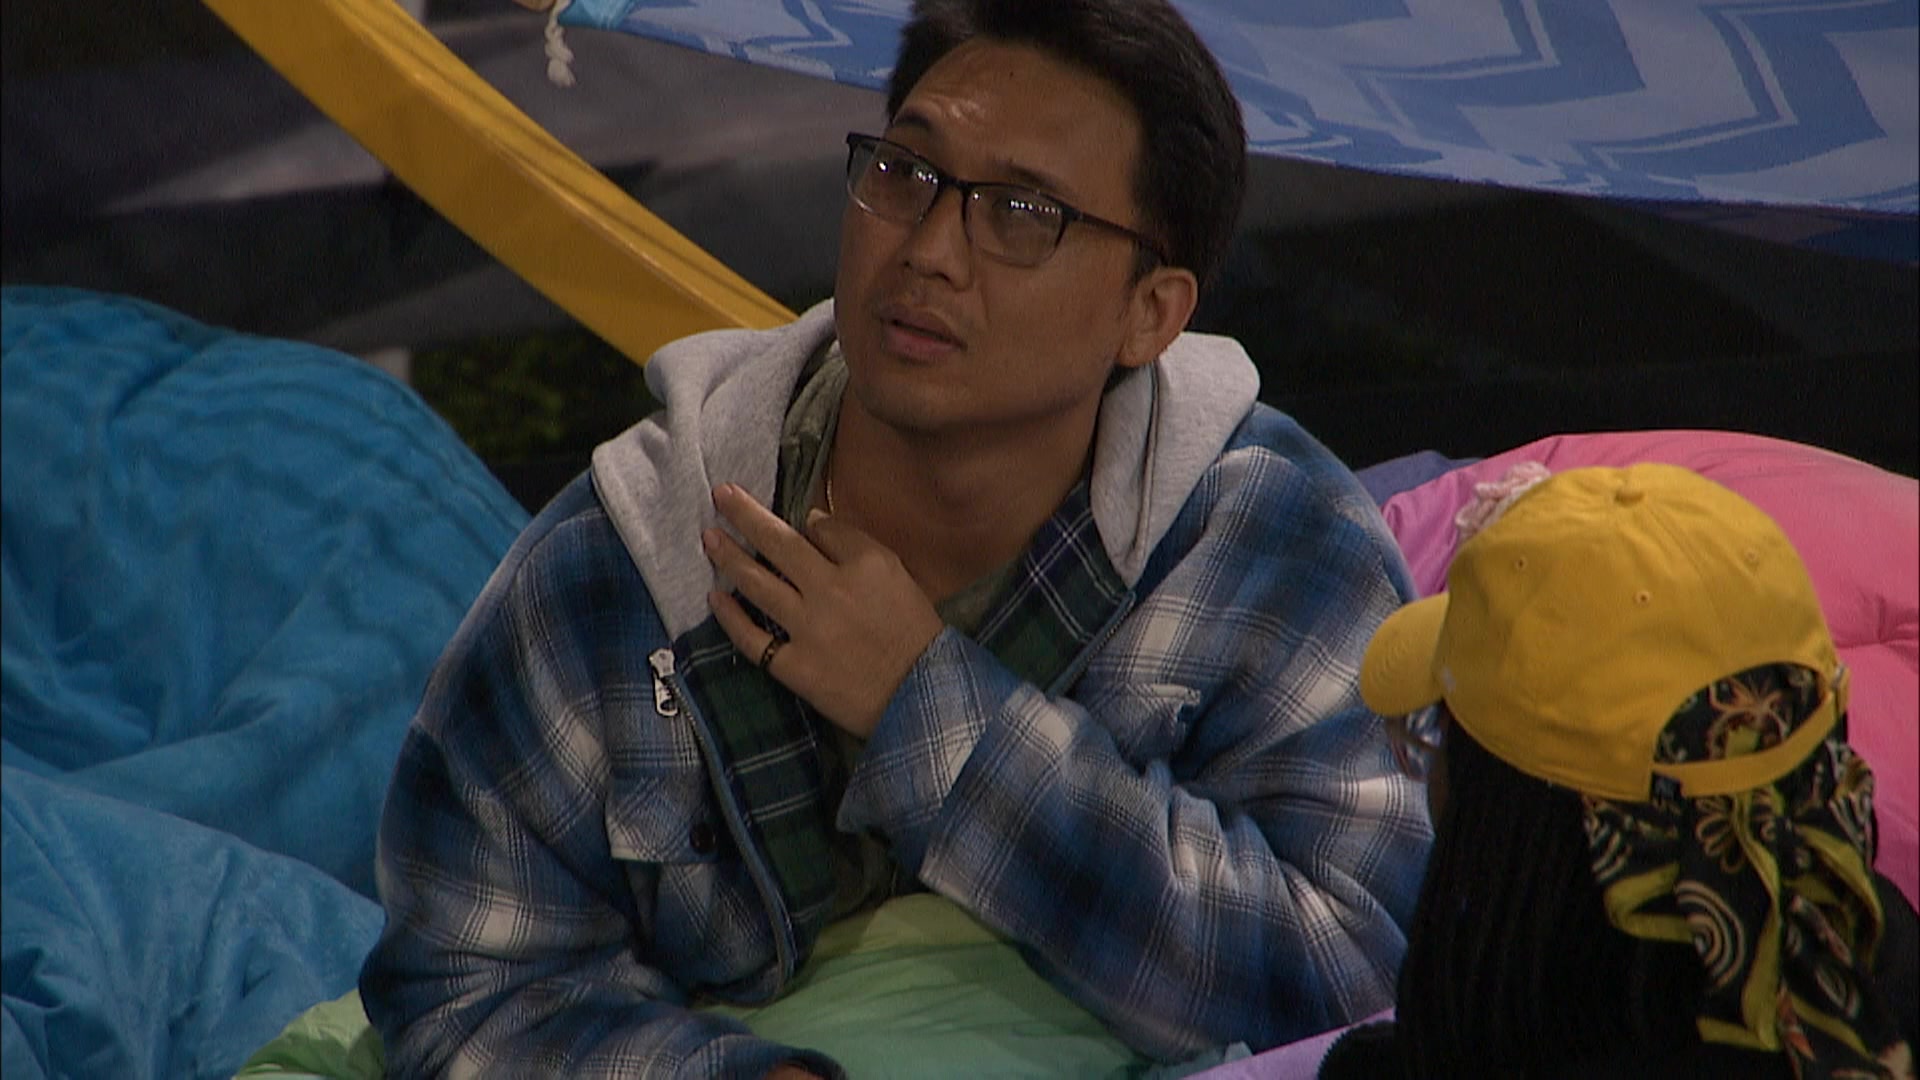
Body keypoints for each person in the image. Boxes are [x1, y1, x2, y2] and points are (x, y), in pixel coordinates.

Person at [359, 0, 1432, 1075]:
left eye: (1021, 213)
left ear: (1150, 313)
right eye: (904, 173)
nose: (927, 251)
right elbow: (460, 985)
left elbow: (1366, 975)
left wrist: (931, 714)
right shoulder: (621, 563)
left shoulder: (1272, 544)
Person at [1324, 463, 1918, 1079]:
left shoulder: (1490, 1037)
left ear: (1516, 826)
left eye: (1444, 728)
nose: (1434, 767)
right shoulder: (1871, 960)